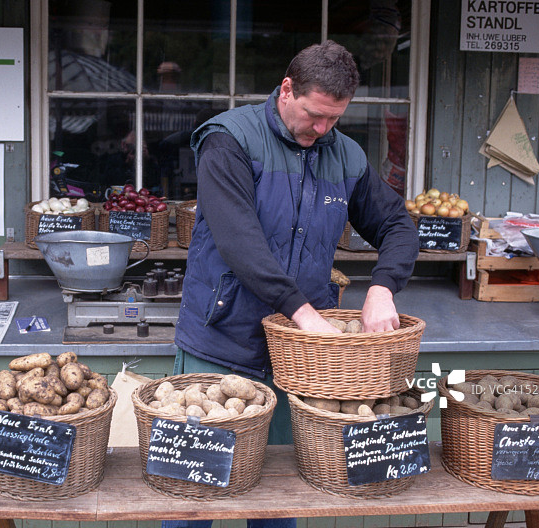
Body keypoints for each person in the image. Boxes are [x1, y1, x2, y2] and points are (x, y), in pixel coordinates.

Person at [166, 40, 418, 528]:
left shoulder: (344, 155)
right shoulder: (229, 140)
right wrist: (304, 314)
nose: (322, 129)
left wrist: (384, 287)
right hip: (219, 341)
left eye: (334, 119)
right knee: (195, 494)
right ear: (287, 89)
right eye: (314, 115)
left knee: (281, 499)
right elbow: (240, 241)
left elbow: (397, 226)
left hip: (298, 362)